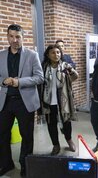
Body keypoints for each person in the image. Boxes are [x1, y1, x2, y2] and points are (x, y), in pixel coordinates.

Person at [0, 24, 44, 176]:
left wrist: (20, 82)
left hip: (24, 101)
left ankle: (25, 165)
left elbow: (39, 77)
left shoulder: (32, 55)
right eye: (11, 36)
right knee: (2, 134)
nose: (14, 40)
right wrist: (3, 81)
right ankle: (6, 164)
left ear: (23, 37)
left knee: (26, 135)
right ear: (7, 37)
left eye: (18, 37)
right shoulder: (1, 55)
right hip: (5, 102)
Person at [38, 44, 78, 155]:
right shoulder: (44, 67)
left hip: (63, 100)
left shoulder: (65, 65)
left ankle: (69, 140)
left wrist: (71, 71)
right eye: (53, 52)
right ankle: (55, 144)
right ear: (48, 55)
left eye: (58, 52)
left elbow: (75, 77)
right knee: (51, 124)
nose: (56, 55)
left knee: (66, 122)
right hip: (49, 101)